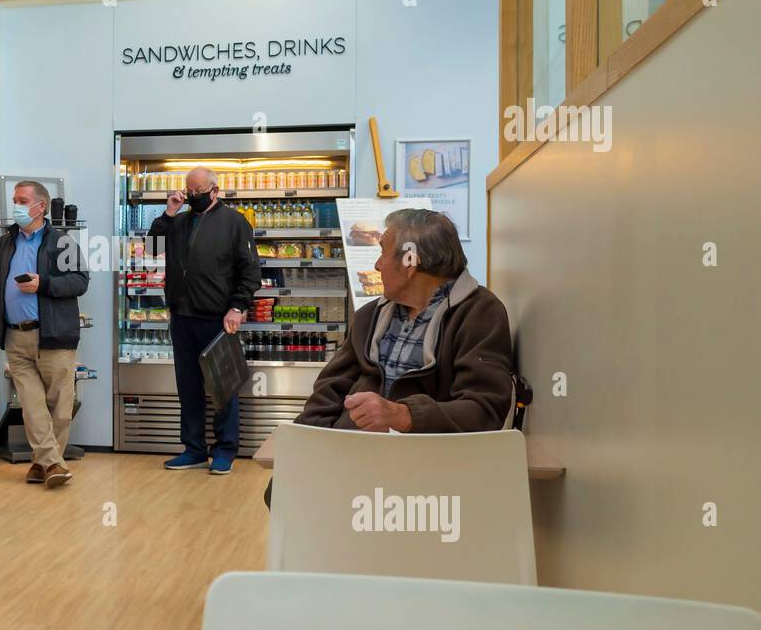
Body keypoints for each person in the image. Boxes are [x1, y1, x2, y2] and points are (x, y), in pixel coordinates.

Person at [266, 208, 515, 507]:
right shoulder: (369, 316)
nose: (377, 264)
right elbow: (328, 392)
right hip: (349, 465)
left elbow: (484, 410)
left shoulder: (480, 314)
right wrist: (299, 451)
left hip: (430, 481)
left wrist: (403, 415)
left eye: (383, 252)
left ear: (410, 262)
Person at [0, 181, 88, 488]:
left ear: (41, 206)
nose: (16, 206)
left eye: (22, 200)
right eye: (14, 200)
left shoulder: (62, 243)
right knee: (33, 406)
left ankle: (42, 463)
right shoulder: (5, 243)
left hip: (54, 337)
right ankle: (52, 464)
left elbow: (79, 282)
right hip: (15, 338)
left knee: (60, 408)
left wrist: (43, 283)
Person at [148, 166, 261, 475]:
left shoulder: (235, 223)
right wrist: (169, 213)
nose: (193, 197)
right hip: (182, 317)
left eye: (198, 192)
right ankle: (194, 449)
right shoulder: (179, 221)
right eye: (189, 192)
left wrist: (237, 307)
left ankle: (224, 450)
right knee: (189, 388)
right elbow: (151, 248)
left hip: (218, 319)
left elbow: (251, 273)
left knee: (222, 388)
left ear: (214, 190)